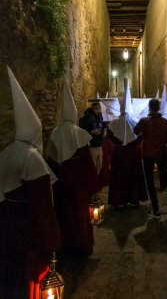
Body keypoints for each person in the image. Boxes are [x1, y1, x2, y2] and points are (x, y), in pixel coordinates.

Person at [0, 67, 61, 299]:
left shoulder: (4, 154)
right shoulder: (32, 157)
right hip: (27, 229)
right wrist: (52, 240)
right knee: (28, 279)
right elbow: (42, 204)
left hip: (6, 227)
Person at [46, 78, 99, 256]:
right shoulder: (79, 134)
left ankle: (65, 247)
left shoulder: (55, 133)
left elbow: (51, 160)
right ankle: (82, 246)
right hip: (79, 185)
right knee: (80, 216)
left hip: (61, 184)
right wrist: (93, 187)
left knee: (64, 214)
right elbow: (87, 163)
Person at [107, 78, 147, 208]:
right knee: (133, 176)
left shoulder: (115, 122)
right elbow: (141, 136)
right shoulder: (134, 121)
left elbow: (109, 135)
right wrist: (132, 144)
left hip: (118, 153)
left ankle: (119, 201)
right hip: (132, 153)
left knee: (119, 177)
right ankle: (133, 200)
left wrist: (120, 143)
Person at [134, 98, 167, 218]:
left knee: (150, 181)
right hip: (161, 153)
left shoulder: (144, 121)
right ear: (159, 108)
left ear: (149, 107)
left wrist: (143, 134)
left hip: (148, 154)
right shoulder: (165, 122)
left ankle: (156, 209)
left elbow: (135, 131)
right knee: (164, 178)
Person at [79, 102, 105, 174]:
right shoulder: (87, 117)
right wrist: (91, 132)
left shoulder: (100, 115)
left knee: (99, 164)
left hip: (99, 143)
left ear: (99, 108)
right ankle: (92, 181)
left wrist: (104, 131)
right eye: (94, 109)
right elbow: (82, 130)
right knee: (92, 164)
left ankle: (97, 179)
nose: (95, 110)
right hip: (92, 144)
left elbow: (102, 126)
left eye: (97, 109)